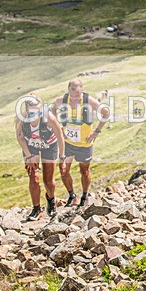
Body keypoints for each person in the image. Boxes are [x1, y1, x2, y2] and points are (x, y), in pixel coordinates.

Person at [52, 79, 109, 208]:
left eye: (78, 95)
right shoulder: (61, 100)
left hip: (84, 144)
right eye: (73, 96)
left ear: (82, 90)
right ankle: (72, 196)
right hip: (67, 143)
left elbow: (106, 113)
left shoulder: (89, 101)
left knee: (84, 171)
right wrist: (58, 126)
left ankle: (84, 195)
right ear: (68, 90)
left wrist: (96, 131)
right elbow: (52, 110)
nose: (76, 99)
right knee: (63, 170)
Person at [15, 93, 65, 221]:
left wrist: (62, 158)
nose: (34, 116)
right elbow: (19, 136)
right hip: (30, 145)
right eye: (31, 113)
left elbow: (60, 136)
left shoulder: (49, 117)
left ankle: (51, 200)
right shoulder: (20, 118)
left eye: (38, 112)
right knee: (34, 177)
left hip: (49, 145)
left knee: (48, 180)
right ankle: (36, 209)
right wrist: (29, 156)